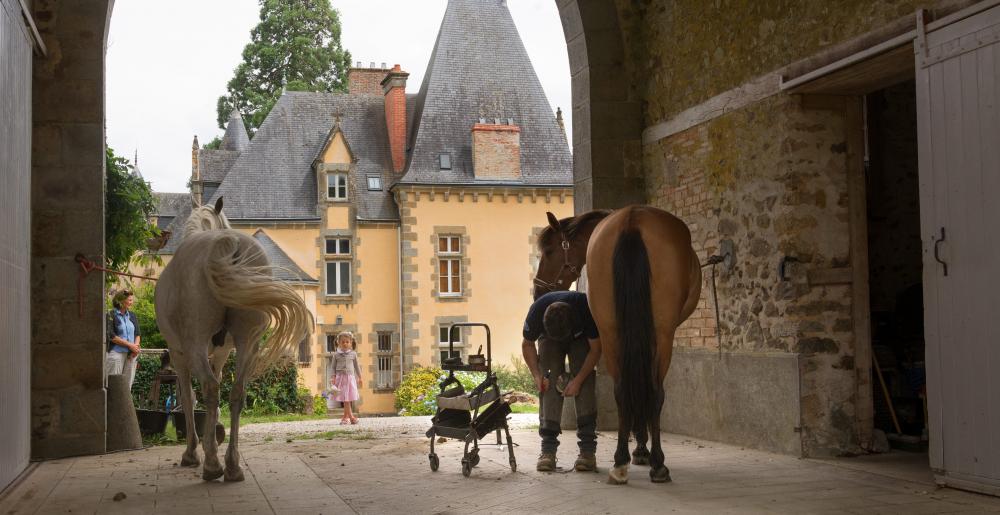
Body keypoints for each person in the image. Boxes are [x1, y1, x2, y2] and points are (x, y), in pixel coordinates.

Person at [521, 291, 601, 472]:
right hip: (549, 339)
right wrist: (537, 375)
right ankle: (548, 451)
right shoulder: (536, 312)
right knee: (547, 382)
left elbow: (596, 350)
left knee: (586, 381)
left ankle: (587, 452)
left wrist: (578, 380)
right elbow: (527, 344)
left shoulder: (587, 309)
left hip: (580, 339)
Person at [106, 289, 141, 389]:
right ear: (121, 301)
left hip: (131, 355)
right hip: (116, 354)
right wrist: (130, 345)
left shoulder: (132, 315)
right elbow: (111, 336)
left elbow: (137, 334)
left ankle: (125, 405)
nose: (131, 302)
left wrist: (136, 348)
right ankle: (111, 405)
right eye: (129, 300)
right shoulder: (111, 315)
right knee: (113, 385)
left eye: (131, 300)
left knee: (127, 385)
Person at [330, 331, 362, 425]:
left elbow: (357, 366)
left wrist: (360, 377)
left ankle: (346, 418)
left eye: (347, 342)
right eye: (343, 342)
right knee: (346, 399)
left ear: (350, 343)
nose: (345, 343)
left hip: (350, 379)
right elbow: (332, 367)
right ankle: (351, 418)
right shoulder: (336, 355)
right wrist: (333, 377)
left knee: (347, 399)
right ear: (339, 343)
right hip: (340, 379)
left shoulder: (353, 354)